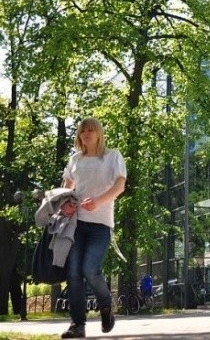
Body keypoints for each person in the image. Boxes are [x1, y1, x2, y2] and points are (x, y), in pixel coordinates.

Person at [60, 117, 126, 339]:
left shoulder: (112, 156)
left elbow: (120, 185)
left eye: (91, 130)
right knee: (74, 272)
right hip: (75, 224)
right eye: (83, 130)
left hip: (101, 224)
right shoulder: (75, 160)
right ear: (79, 135)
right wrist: (65, 204)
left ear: (98, 133)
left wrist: (98, 200)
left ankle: (105, 306)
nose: (86, 133)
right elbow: (65, 189)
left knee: (90, 269)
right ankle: (77, 325)